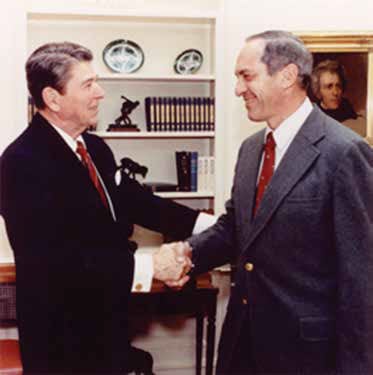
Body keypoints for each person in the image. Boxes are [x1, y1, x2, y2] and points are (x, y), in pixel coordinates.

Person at [0, 42, 214, 374]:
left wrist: (210, 224)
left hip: (108, 326)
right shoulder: (20, 164)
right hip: (62, 343)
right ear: (52, 98)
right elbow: (59, 261)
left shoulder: (95, 148)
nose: (100, 93)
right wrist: (149, 268)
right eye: (87, 84)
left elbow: (137, 202)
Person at [168, 30, 373, 374]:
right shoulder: (251, 150)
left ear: (288, 76)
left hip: (308, 358)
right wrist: (189, 253)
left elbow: (362, 280)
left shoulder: (345, 153)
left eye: (246, 76)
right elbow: (237, 229)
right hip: (242, 346)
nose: (237, 89)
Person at [311, 59, 366, 136]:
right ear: (318, 90)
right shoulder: (314, 114)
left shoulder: (346, 107)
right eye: (329, 87)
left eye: (338, 86)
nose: (335, 92)